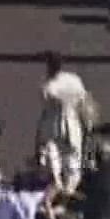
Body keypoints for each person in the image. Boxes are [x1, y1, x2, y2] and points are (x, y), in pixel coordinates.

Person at [36, 52, 93, 193]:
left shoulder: (48, 85)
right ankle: (69, 192)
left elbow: (46, 107)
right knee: (72, 161)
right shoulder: (74, 80)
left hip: (52, 127)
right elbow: (83, 101)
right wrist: (88, 122)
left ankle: (58, 189)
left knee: (54, 163)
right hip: (72, 124)